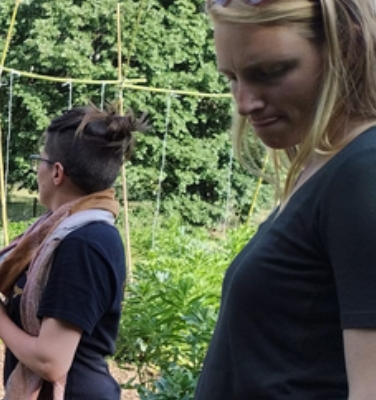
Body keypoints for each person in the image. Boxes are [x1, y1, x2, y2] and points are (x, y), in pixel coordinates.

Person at [193, 0, 376, 397]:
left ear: (346, 46)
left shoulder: (364, 174)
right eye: (232, 78)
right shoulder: (327, 169)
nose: (245, 103)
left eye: (270, 72)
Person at [0, 106, 142, 399]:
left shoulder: (84, 243)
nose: (38, 171)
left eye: (41, 160)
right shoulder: (65, 232)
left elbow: (51, 360)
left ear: (57, 172)